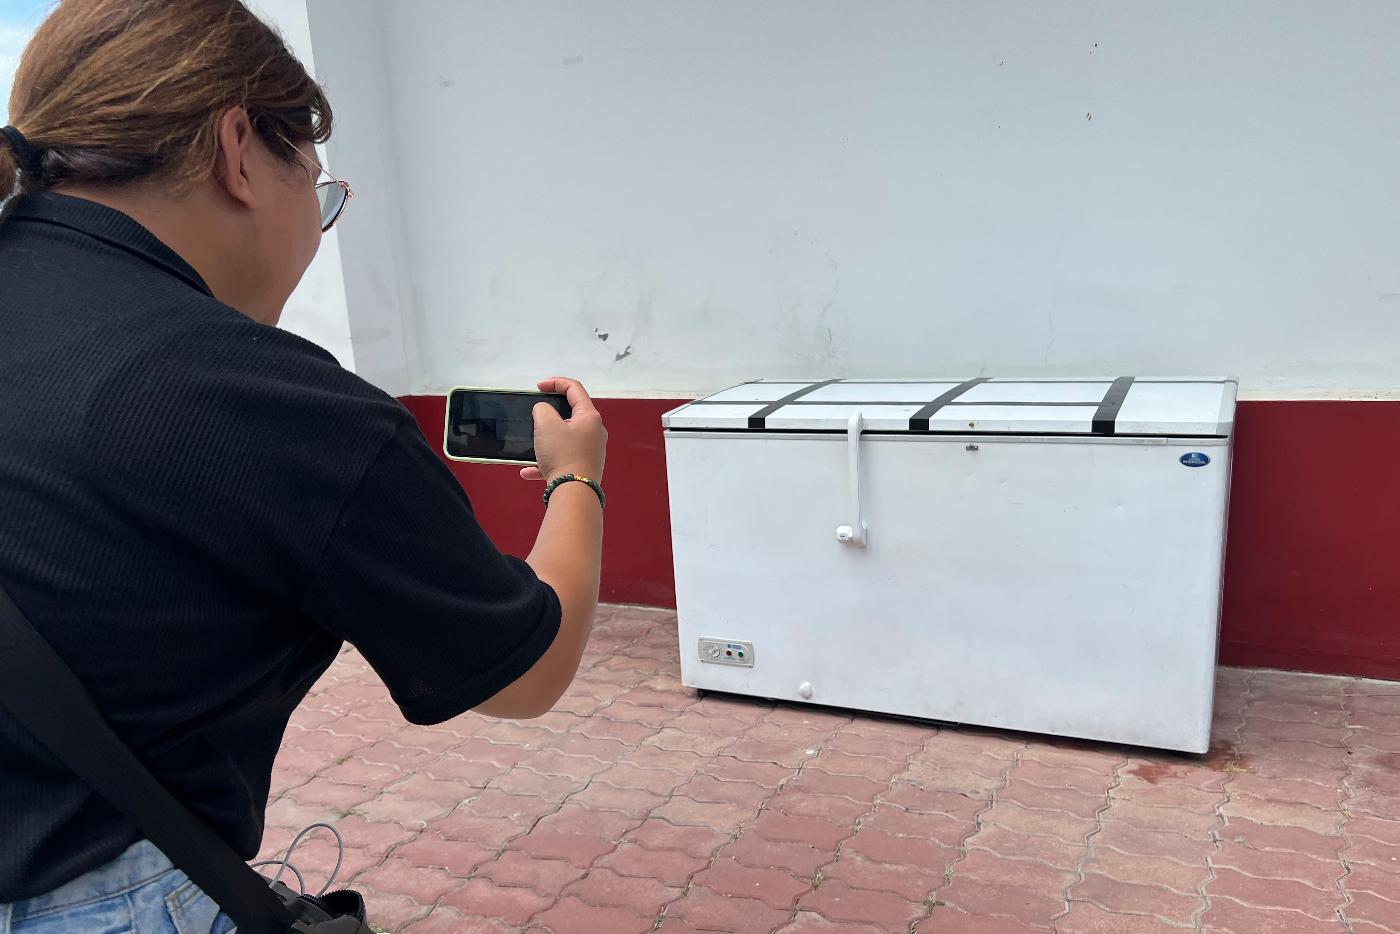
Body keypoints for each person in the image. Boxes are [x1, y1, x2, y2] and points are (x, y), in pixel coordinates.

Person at [0, 1, 606, 930]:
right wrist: (578, 478)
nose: (315, 226)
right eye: (319, 189)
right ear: (239, 151)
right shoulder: (253, 392)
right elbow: (523, 671)